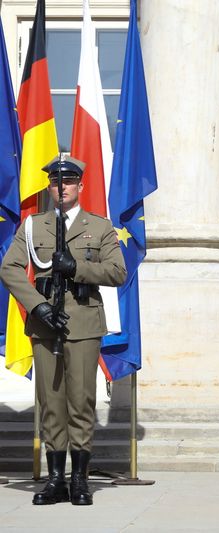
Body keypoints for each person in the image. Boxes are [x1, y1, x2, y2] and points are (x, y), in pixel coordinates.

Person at [0, 154, 127, 506]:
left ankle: (80, 480)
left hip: (83, 323)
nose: (62, 187)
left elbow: (118, 272)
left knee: (81, 400)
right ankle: (55, 479)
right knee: (51, 401)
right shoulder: (32, 226)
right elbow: (9, 268)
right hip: (44, 323)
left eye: (68, 181)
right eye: (56, 182)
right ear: (50, 188)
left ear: (80, 186)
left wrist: (77, 267)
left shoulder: (99, 227)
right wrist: (36, 304)